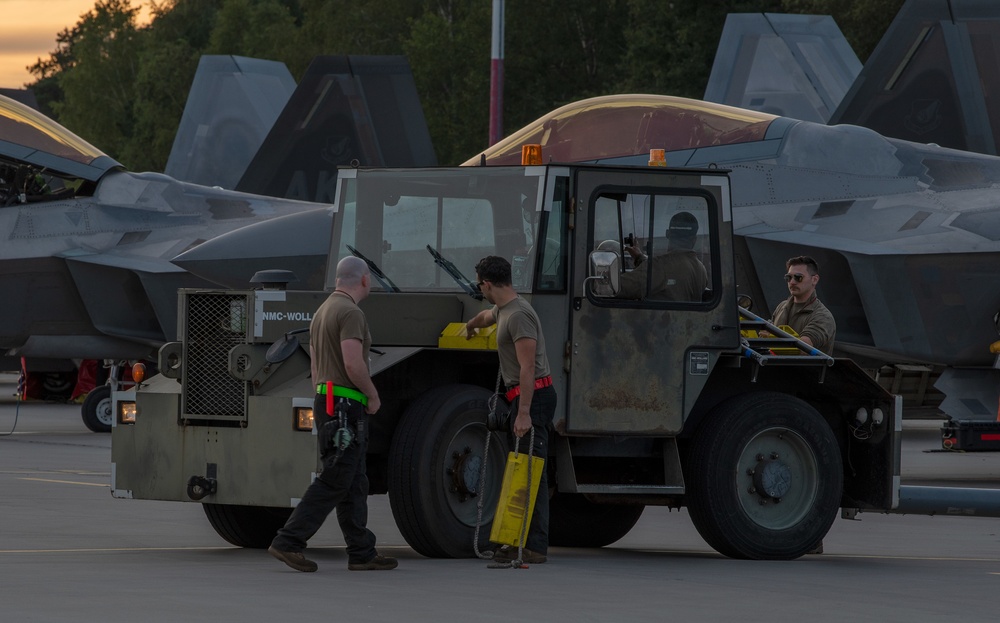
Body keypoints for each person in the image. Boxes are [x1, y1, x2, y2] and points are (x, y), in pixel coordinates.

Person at [268, 255, 397, 573]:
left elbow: (314, 367)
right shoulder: (351, 313)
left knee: (354, 481)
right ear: (365, 280)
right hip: (345, 405)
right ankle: (289, 540)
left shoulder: (323, 311)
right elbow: (353, 363)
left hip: (328, 402)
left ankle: (362, 551)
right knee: (336, 478)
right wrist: (372, 394)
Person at [465, 255, 557, 564]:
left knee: (532, 473)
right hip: (522, 395)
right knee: (523, 469)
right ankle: (517, 540)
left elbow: (528, 367)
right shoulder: (503, 309)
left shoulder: (519, 315)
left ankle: (534, 547)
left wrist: (524, 413)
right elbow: (486, 318)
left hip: (534, 396)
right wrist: (470, 326)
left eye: (480, 285)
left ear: (487, 284)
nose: (481, 290)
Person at [618, 211, 708, 301]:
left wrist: (605, 278)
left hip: (664, 315)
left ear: (668, 234)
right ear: (694, 239)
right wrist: (639, 257)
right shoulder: (701, 270)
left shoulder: (661, 266)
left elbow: (622, 287)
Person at [769, 255, 836, 354]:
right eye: (789, 277)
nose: (792, 282)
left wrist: (769, 339)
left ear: (815, 280)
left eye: (798, 277)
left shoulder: (823, 317)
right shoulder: (782, 307)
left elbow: (801, 348)